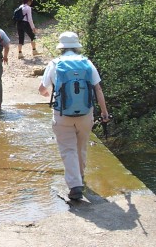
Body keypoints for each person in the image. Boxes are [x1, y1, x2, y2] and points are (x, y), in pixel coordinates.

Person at [38, 32, 110, 200]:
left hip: (62, 113)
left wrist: (47, 93)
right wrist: (104, 112)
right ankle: (80, 177)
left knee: (68, 149)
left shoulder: (54, 64)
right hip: (86, 113)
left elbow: (42, 89)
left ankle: (75, 185)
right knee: (81, 147)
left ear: (61, 48)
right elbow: (97, 89)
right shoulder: (87, 63)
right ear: (77, 46)